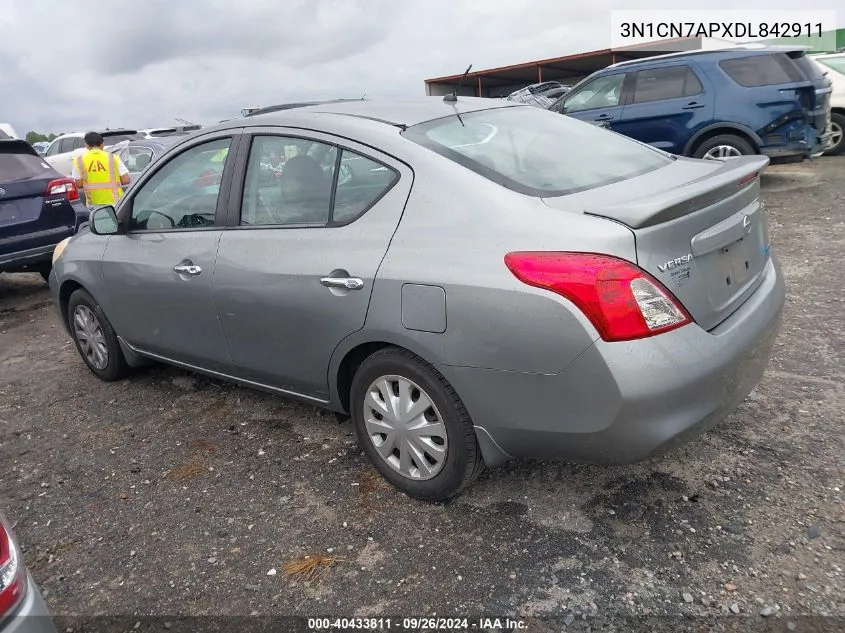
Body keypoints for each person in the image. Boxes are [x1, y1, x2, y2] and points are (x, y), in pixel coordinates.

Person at [71, 132, 131, 207]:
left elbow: (79, 184)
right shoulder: (113, 158)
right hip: (116, 203)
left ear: (86, 145)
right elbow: (126, 180)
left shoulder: (79, 160)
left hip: (93, 204)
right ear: (102, 144)